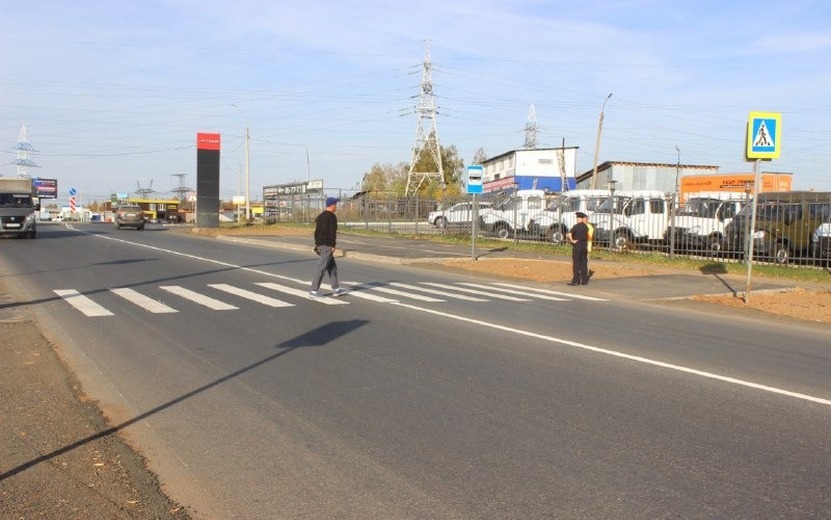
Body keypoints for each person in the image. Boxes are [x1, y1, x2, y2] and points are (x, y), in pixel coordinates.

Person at [309, 197, 346, 297]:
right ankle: (313, 290)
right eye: (336, 205)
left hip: (321, 244)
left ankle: (336, 288)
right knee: (321, 267)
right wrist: (333, 245)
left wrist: (317, 245)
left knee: (332, 267)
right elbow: (332, 232)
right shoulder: (331, 216)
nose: (336, 207)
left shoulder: (320, 216)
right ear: (332, 205)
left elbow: (317, 232)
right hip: (327, 245)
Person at [566, 211, 590, 286]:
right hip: (584, 247)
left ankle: (575, 281)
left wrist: (572, 240)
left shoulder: (576, 226)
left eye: (577, 218)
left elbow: (569, 234)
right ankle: (584, 280)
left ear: (578, 218)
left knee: (576, 264)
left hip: (577, 247)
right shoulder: (585, 227)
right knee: (583, 263)